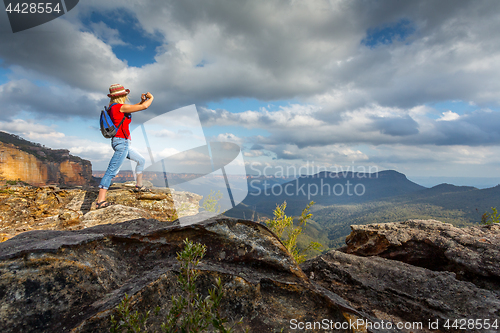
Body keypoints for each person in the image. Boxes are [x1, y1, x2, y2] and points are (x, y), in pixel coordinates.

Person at [96, 83, 154, 209]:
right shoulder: (119, 107)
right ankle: (100, 201)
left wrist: (141, 101)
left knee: (141, 160)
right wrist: (151, 98)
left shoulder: (114, 107)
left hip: (123, 142)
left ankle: (138, 185)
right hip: (121, 143)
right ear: (122, 95)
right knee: (112, 171)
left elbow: (136, 107)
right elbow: (144, 107)